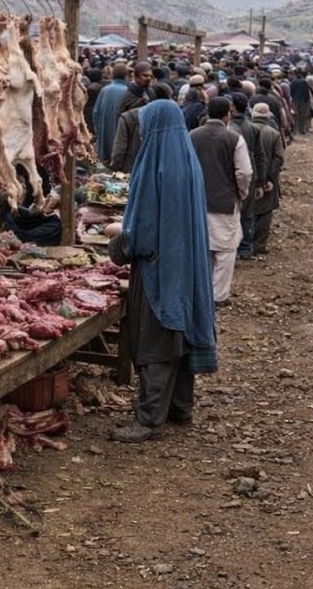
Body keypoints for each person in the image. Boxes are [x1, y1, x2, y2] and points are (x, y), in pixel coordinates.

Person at [104, 100, 216, 443]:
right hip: (188, 264)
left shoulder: (153, 164)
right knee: (181, 332)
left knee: (155, 338)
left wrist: (117, 246)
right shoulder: (187, 160)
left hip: (158, 268)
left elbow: (141, 230)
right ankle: (180, 407)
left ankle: (149, 419)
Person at [190, 98, 252, 305]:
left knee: (203, 247)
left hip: (197, 202)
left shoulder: (192, 136)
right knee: (225, 250)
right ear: (227, 115)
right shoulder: (234, 139)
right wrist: (241, 193)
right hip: (225, 202)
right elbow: (244, 172)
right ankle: (219, 296)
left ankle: (202, 292)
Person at [228, 97, 265, 260]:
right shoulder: (252, 128)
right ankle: (245, 248)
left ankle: (235, 247)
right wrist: (261, 181)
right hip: (250, 174)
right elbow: (260, 156)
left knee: (232, 212)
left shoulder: (229, 128)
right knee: (247, 214)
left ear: (234, 107)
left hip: (231, 175)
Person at [249, 103, 284, 255]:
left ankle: (246, 243)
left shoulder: (246, 131)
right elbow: (279, 157)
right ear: (268, 116)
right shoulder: (273, 134)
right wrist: (270, 178)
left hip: (249, 178)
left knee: (248, 210)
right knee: (266, 211)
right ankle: (259, 245)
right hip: (267, 179)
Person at [92, 62, 130, 164]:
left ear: (112, 75)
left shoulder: (104, 90)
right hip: (121, 138)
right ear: (126, 76)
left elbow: (95, 113)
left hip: (104, 137)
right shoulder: (128, 92)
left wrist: (99, 132)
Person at [289, 70, 313, 135]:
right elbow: (308, 91)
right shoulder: (304, 82)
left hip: (295, 100)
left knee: (295, 115)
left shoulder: (293, 82)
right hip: (303, 101)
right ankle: (302, 130)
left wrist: (292, 98)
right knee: (303, 116)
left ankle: (295, 130)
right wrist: (307, 100)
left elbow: (290, 91)